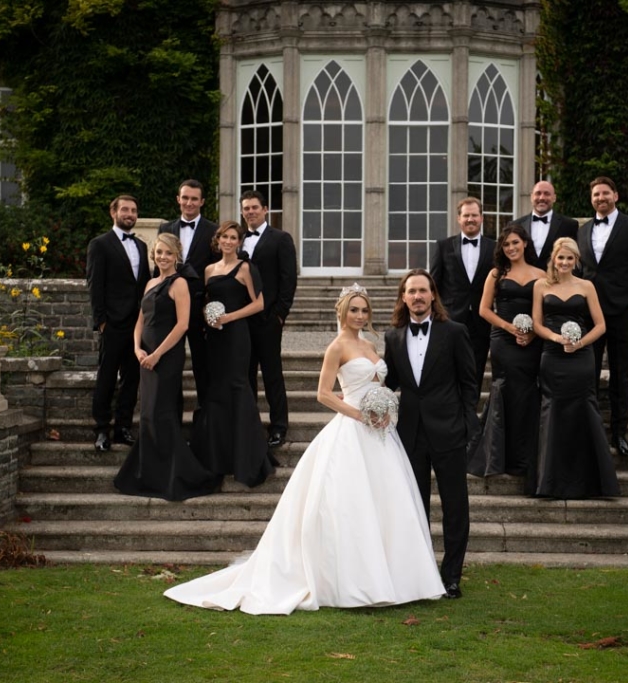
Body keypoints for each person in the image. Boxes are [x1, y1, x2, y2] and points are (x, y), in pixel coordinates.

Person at [165, 285, 444, 614]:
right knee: (350, 507)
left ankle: (400, 579)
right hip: (352, 430)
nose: (360, 315)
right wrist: (359, 414)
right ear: (342, 312)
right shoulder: (336, 347)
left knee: (389, 502)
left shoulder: (370, 344)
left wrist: (382, 410)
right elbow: (323, 394)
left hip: (381, 435)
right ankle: (355, 582)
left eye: (364, 310)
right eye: (354, 310)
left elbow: (378, 385)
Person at [384, 269, 479, 600]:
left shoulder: (454, 332)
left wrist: (469, 424)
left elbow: (470, 382)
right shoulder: (392, 336)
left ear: (433, 295)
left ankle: (451, 576)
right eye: (411, 291)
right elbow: (391, 382)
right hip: (410, 433)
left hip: (450, 429)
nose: (418, 296)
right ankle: (421, 575)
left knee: (455, 508)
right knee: (415, 507)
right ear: (404, 297)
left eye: (423, 290)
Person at [114, 234, 212, 500]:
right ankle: (150, 472)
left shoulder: (179, 284)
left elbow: (183, 325)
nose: (163, 257)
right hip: (144, 356)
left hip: (166, 357)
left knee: (162, 411)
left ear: (176, 255)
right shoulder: (149, 282)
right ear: (153, 255)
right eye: (159, 252)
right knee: (147, 412)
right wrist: (137, 348)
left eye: (168, 253)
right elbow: (140, 319)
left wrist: (156, 354)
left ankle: (173, 474)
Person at [531, 238, 619, 499]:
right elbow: (537, 323)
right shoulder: (541, 286)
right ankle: (550, 482)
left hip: (581, 359)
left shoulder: (587, 286)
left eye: (570, 258)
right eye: (561, 258)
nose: (565, 263)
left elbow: (601, 325)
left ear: (576, 261)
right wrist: (557, 338)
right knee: (552, 409)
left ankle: (590, 482)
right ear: (553, 260)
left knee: (584, 408)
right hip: (552, 355)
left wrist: (580, 343)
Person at [577, 177, 628, 457]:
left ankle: (619, 434)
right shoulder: (583, 231)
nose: (601, 198)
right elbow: (580, 273)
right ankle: (591, 432)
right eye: (596, 194)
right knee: (589, 373)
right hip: (590, 316)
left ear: (616, 196)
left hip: (622, 313)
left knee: (621, 375)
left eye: (605, 193)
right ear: (591, 199)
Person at [192, 221, 273, 492]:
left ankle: (248, 457)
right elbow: (206, 301)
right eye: (224, 237)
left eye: (233, 237)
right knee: (216, 391)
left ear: (239, 242)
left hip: (237, 336)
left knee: (238, 387)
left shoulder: (246, 268)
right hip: (214, 336)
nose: (228, 241)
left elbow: (259, 303)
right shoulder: (208, 270)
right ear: (218, 240)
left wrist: (229, 317)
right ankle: (219, 456)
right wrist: (208, 317)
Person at [467, 223, 546, 482]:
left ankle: (524, 456)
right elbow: (484, 310)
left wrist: (533, 332)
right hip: (503, 339)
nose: (511, 248)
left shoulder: (542, 274)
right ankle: (497, 455)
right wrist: (510, 328)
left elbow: (544, 311)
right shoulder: (496, 274)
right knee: (505, 387)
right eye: (506, 244)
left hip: (532, 341)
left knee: (527, 391)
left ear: (524, 243)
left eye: (515, 242)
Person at [86, 195, 150, 452]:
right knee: (107, 377)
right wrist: (101, 321)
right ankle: (102, 430)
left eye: (133, 210)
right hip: (112, 324)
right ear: (113, 212)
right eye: (125, 209)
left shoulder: (142, 246)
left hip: (138, 325)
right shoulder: (99, 244)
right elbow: (95, 285)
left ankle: (123, 428)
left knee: (132, 378)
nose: (130, 214)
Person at [240, 190, 297, 448]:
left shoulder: (281, 239)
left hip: (268, 319)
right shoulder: (236, 239)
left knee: (272, 373)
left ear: (265, 210)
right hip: (241, 319)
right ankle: (250, 424)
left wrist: (279, 316)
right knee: (246, 373)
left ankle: (278, 427)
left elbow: (288, 280)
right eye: (246, 208)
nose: (250, 212)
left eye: (254, 207)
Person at [157, 179, 219, 411]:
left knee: (202, 367)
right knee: (170, 364)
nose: (189, 203)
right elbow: (159, 268)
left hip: (199, 310)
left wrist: (210, 309)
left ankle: (204, 421)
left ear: (202, 201)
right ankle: (171, 417)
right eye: (185, 198)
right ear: (178, 199)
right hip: (169, 310)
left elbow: (216, 273)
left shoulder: (214, 230)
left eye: (194, 199)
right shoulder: (165, 229)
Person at [430, 197, 496, 381]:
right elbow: (433, 286)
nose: (470, 219)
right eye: (466, 215)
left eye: (474, 215)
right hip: (450, 319)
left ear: (481, 218)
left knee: (476, 372)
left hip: (481, 320)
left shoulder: (494, 248)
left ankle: (471, 409)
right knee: (449, 370)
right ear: (458, 219)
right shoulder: (443, 246)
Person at [515, 180, 579, 270]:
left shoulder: (569, 225)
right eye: (538, 193)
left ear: (554, 198)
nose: (542, 198)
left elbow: (576, 258)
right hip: (524, 280)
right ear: (531, 197)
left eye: (547, 194)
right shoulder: (516, 225)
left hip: (557, 280)